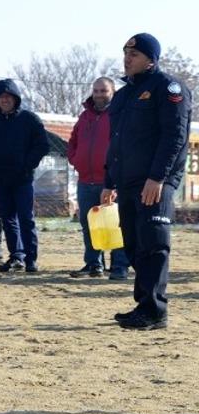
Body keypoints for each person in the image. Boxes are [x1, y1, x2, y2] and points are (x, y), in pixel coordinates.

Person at [104, 33, 192, 330]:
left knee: (154, 244)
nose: (127, 58)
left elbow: (174, 136)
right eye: (125, 53)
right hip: (127, 181)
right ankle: (143, 304)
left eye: (135, 54)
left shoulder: (167, 88)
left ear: (151, 59)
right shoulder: (124, 94)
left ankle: (155, 310)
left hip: (155, 180)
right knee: (133, 243)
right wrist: (108, 181)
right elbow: (115, 142)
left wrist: (158, 177)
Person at [0, 79, 49, 273]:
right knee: (7, 219)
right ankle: (16, 257)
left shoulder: (29, 119)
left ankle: (31, 259)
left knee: (26, 218)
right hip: (0, 179)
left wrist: (28, 165)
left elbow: (42, 145)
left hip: (22, 179)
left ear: (15, 99)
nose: (5, 100)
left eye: (8, 97)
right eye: (1, 97)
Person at [66, 77, 129, 279]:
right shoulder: (85, 117)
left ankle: (119, 266)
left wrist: (117, 175)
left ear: (112, 92)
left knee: (116, 225)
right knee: (89, 224)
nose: (99, 94)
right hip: (86, 181)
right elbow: (73, 141)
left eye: (104, 91)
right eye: (96, 91)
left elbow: (125, 145)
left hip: (111, 181)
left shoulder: (120, 115)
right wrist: (76, 160)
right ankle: (94, 264)